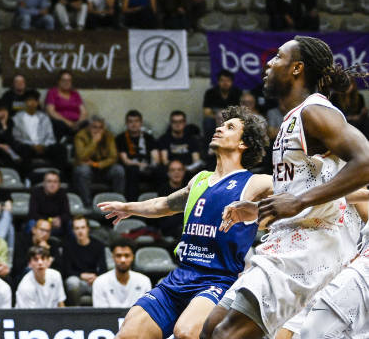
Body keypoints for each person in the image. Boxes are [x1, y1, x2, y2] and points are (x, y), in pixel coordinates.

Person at [204, 36, 369, 339]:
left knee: (224, 335)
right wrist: (263, 207)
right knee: (211, 327)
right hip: (287, 240)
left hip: (311, 248)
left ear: (297, 68)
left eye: (278, 57)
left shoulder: (315, 112)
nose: (269, 63)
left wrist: (299, 202)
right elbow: (309, 182)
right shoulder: (292, 118)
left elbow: (366, 161)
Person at [99, 106, 269, 339]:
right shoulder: (199, 180)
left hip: (218, 279)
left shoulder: (255, 182)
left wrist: (256, 210)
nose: (219, 128)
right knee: (129, 332)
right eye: (221, 124)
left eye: (230, 127)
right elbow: (165, 205)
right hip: (182, 274)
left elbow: (293, 194)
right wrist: (127, 208)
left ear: (243, 144)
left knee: (187, 332)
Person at [74, 116, 125, 206]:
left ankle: (117, 203)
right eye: (94, 127)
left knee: (119, 170)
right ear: (89, 127)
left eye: (100, 127)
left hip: (104, 168)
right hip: (87, 169)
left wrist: (97, 164)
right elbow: (81, 156)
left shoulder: (108, 135)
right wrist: (94, 142)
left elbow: (113, 157)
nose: (98, 130)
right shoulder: (80, 136)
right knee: (83, 170)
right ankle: (87, 204)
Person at [13, 91, 64, 174]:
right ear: (25, 103)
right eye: (29, 100)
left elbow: (50, 135)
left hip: (44, 147)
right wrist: (32, 146)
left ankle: (59, 176)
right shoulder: (17, 118)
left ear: (37, 103)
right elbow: (17, 137)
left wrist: (43, 146)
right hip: (28, 147)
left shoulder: (44, 117)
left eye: (34, 101)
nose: (32, 103)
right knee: (23, 150)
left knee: (60, 149)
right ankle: (26, 179)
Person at [115, 109, 161, 200]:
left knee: (160, 170)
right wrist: (140, 165)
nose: (134, 124)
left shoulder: (148, 137)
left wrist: (151, 165)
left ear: (141, 123)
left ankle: (160, 203)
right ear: (126, 123)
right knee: (132, 171)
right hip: (131, 167)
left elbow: (156, 157)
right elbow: (126, 161)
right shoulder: (120, 138)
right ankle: (132, 205)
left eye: (136, 121)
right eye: (130, 121)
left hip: (147, 167)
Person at [91, 241, 151, 308]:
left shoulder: (144, 281)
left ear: (133, 257)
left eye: (127, 255)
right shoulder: (100, 282)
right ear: (113, 257)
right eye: (118, 256)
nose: (123, 260)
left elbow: (146, 312)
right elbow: (101, 314)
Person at [63, 215, 107, 306]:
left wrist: (96, 277)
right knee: (72, 282)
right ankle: (76, 311)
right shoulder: (68, 246)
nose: (80, 231)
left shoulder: (98, 245)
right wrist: (81, 275)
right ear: (73, 231)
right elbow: (66, 270)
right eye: (77, 228)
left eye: (83, 228)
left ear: (88, 229)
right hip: (78, 280)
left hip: (94, 280)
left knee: (103, 282)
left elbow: (103, 269)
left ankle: (100, 313)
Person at [12, 216, 64, 284]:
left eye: (47, 231)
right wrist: (38, 250)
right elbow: (18, 267)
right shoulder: (21, 241)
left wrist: (46, 251)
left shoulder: (53, 244)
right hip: (25, 277)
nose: (45, 234)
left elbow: (59, 268)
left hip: (47, 279)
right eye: (42, 230)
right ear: (34, 230)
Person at [44, 70, 87, 141]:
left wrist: (79, 123)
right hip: (61, 122)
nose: (66, 82)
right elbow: (51, 111)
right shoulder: (52, 92)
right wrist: (67, 122)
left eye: (69, 80)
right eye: (64, 80)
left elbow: (84, 112)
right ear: (59, 81)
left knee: (89, 124)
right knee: (59, 125)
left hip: (76, 123)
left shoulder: (75, 94)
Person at [203, 70, 243, 139]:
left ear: (232, 82)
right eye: (222, 80)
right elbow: (207, 112)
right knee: (208, 122)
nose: (225, 83)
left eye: (228, 80)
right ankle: (209, 146)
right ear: (218, 82)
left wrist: (228, 120)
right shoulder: (210, 93)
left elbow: (241, 111)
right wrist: (219, 117)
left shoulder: (237, 93)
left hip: (232, 118)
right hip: (215, 119)